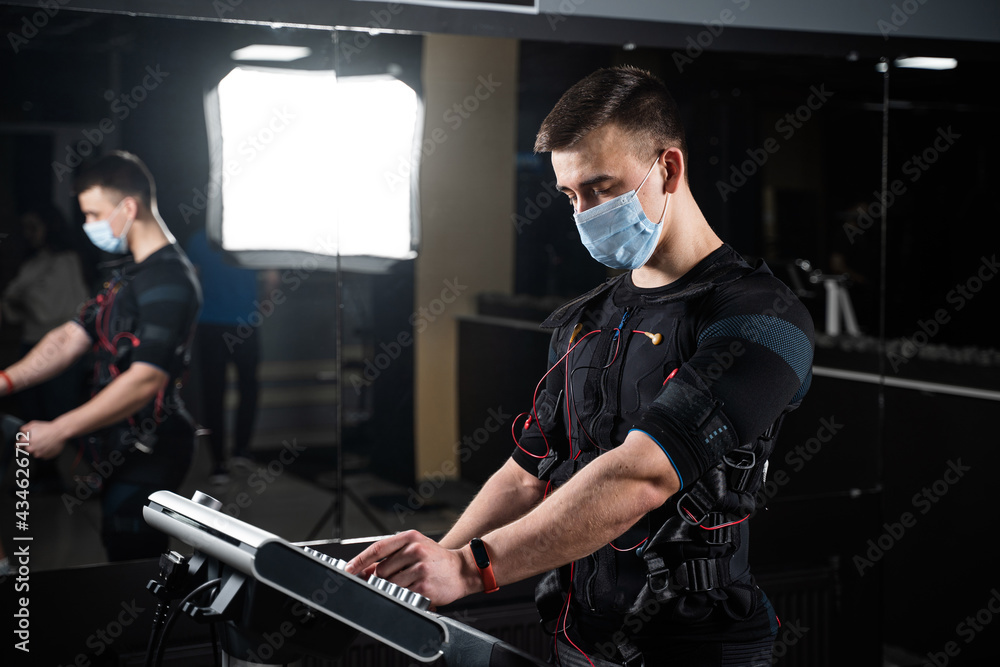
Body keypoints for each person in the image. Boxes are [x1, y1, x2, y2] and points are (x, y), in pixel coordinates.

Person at [346, 67, 815, 666]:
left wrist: (468, 569)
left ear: (668, 168)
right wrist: (430, 567)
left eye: (601, 187)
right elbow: (526, 476)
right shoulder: (592, 316)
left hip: (698, 649)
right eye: (571, 195)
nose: (585, 212)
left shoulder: (760, 316)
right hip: (579, 641)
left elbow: (643, 475)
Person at [0, 151, 202, 562]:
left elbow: (146, 379)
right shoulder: (126, 275)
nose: (88, 225)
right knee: (116, 542)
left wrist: (59, 429)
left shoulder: (171, 280)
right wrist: (5, 381)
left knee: (133, 554)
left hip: (154, 446)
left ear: (128, 207)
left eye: (93, 213)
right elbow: (70, 338)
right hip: (115, 443)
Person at [184, 226, 262, 484]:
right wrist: (259, 309)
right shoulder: (250, 238)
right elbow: (272, 279)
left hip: (210, 326)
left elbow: (192, 280)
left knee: (213, 393)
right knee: (249, 387)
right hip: (246, 324)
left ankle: (219, 464)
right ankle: (241, 451)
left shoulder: (199, 240)